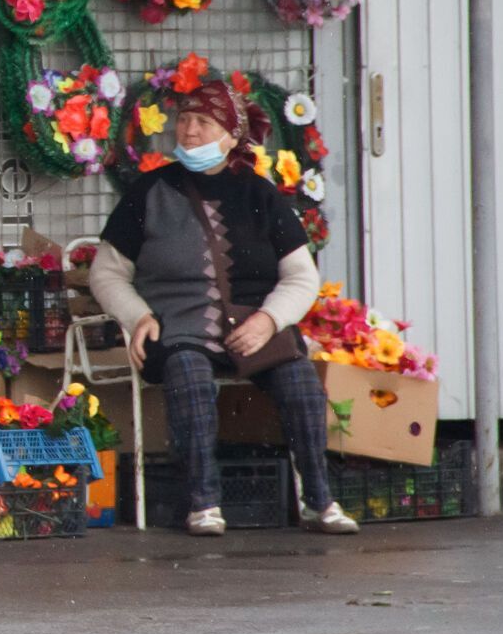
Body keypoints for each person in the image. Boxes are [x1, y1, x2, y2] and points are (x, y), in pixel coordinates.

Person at [89, 79, 359, 537]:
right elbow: (107, 273)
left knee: (302, 386)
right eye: (185, 120)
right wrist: (140, 317)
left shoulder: (261, 195)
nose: (189, 131)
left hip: (254, 326)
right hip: (177, 329)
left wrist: (269, 319)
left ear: (233, 136)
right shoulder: (148, 192)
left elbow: (301, 276)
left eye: (204, 122)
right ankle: (203, 504)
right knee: (189, 376)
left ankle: (319, 501)